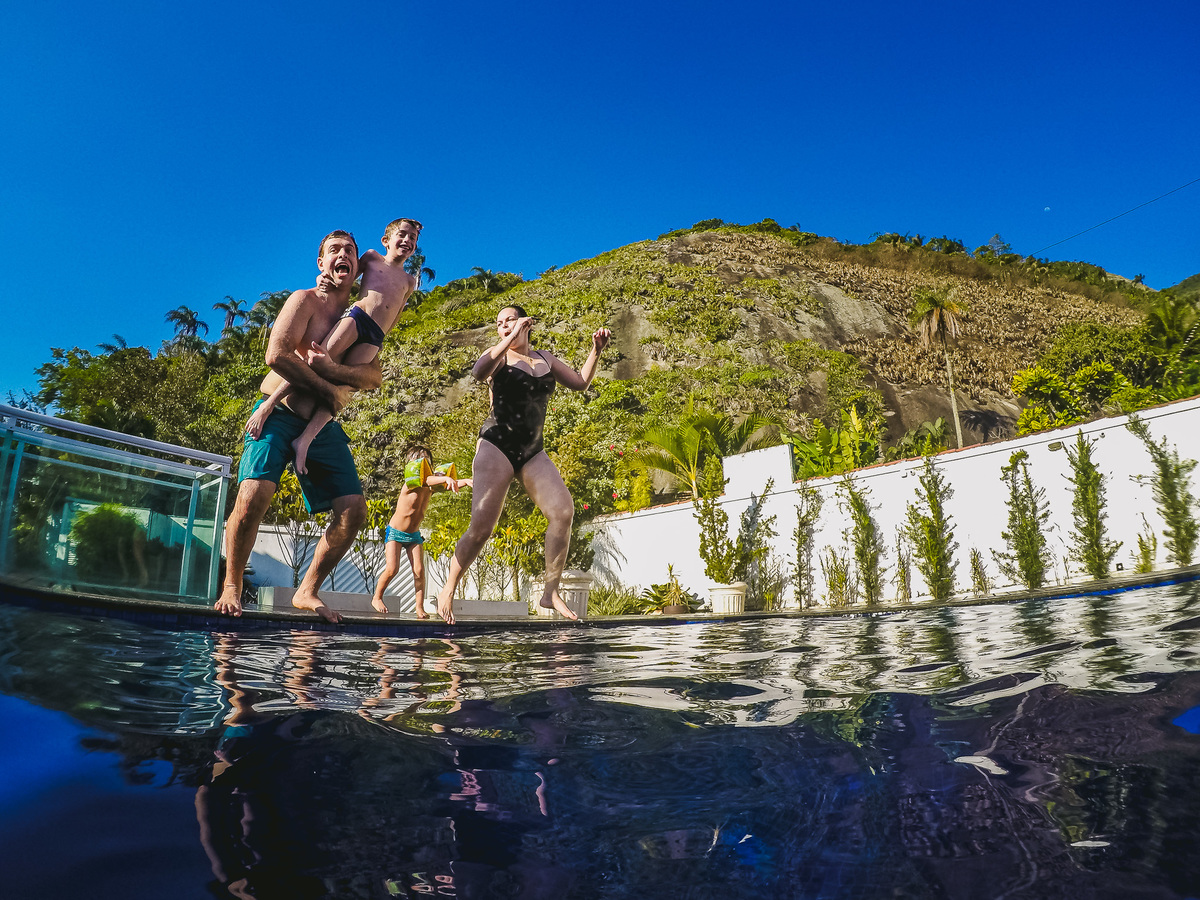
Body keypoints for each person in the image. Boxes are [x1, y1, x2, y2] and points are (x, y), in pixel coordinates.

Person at [214, 230, 382, 623]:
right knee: (252, 496)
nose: (343, 255)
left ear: (357, 266)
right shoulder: (304, 300)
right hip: (278, 414)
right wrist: (330, 389)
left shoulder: (359, 318)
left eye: (350, 251)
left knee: (354, 511)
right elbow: (276, 355)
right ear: (321, 263)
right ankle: (232, 585)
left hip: (319, 427)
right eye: (334, 250)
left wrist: (335, 370)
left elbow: (373, 376)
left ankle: (307, 591)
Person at [434, 305, 610, 624]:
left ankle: (550, 592)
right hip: (496, 444)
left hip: (532, 450)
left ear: (527, 323)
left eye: (510, 321)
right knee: (481, 529)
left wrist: (596, 351)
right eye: (499, 324)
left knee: (563, 512)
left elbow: (580, 383)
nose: (504, 326)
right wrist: (509, 338)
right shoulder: (499, 356)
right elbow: (478, 372)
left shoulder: (546, 359)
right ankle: (448, 588)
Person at [246, 218, 421, 475]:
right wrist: (322, 278)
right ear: (386, 240)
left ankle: (305, 440)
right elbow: (345, 275)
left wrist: (383, 337)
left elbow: (397, 313)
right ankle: (269, 403)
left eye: (413, 238)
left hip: (375, 335)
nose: (407, 241)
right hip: (358, 317)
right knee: (318, 357)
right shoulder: (372, 258)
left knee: (345, 386)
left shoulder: (409, 280)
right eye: (402, 235)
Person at [371, 445, 472, 617]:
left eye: (427, 461)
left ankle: (419, 607)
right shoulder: (409, 485)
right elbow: (428, 480)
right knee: (392, 569)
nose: (424, 463)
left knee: (419, 571)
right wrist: (445, 478)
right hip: (395, 533)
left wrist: (466, 481)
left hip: (414, 535)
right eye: (420, 460)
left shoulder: (430, 487)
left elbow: (446, 485)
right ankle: (377, 597)